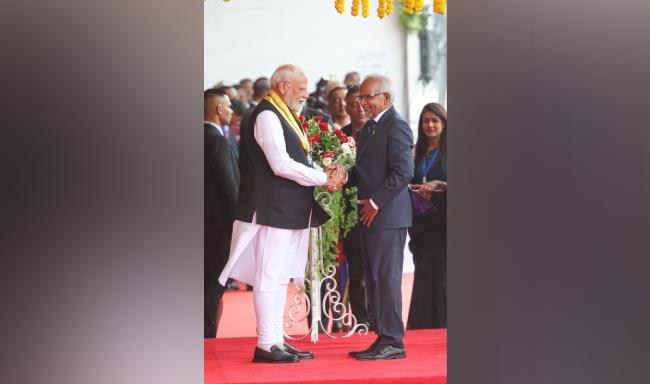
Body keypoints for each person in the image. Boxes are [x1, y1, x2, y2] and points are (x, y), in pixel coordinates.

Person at [218, 64, 346, 363]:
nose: (305, 94)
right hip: (270, 208)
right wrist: (322, 178)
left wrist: (326, 173)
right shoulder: (266, 114)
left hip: (287, 208)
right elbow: (280, 164)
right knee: (268, 275)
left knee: (278, 279)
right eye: (301, 88)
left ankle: (276, 340)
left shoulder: (283, 114)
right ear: (284, 86)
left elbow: (295, 159)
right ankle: (266, 342)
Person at [338, 74, 414, 360]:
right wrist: (343, 175)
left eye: (368, 97)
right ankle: (383, 336)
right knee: (373, 279)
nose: (362, 102)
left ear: (386, 97)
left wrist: (374, 202)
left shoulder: (396, 127)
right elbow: (366, 172)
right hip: (372, 215)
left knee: (386, 279)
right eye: (361, 97)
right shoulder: (371, 127)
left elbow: (404, 172)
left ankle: (394, 340)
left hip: (387, 216)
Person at [407, 103, 448, 329]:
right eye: (426, 121)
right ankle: (421, 329)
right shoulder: (416, 154)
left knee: (444, 279)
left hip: (446, 226)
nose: (430, 125)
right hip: (421, 227)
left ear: (443, 124)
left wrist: (440, 185)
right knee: (423, 276)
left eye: (435, 121)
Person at [204, 88, 241, 338]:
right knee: (212, 284)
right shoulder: (216, 140)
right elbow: (229, 185)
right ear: (218, 110)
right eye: (228, 106)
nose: (232, 111)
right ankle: (206, 334)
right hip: (217, 227)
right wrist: (241, 220)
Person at [340, 84, 371, 328]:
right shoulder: (338, 136)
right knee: (357, 271)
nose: (359, 108)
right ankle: (362, 321)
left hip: (378, 211)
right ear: (346, 107)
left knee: (379, 271)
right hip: (349, 215)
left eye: (363, 102)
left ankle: (382, 318)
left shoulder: (382, 132)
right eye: (353, 104)